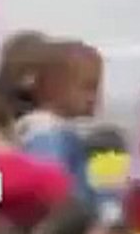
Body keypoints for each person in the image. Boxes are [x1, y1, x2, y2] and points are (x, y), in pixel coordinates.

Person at [17, 41, 104, 205]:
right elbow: (50, 188)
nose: (94, 97)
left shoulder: (56, 129)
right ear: (53, 86)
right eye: (88, 87)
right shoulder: (45, 133)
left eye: (97, 88)